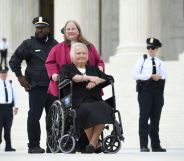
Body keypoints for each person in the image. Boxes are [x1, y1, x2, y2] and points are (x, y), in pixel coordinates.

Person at [45, 20, 105, 152]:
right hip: (68, 87)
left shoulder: (89, 46)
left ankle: (90, 144)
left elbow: (99, 61)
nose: (71, 31)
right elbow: (50, 63)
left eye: (74, 28)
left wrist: (99, 70)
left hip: (90, 87)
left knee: (97, 107)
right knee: (81, 109)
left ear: (79, 31)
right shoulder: (58, 48)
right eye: (68, 29)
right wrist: (54, 74)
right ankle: (90, 143)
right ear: (65, 32)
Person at [9, 16, 58, 153]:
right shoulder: (28, 44)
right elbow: (14, 60)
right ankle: (34, 145)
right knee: (34, 116)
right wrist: (20, 77)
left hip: (53, 87)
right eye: (38, 28)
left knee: (53, 117)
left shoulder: (55, 44)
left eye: (42, 28)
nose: (40, 30)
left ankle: (52, 145)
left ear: (48, 28)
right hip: (36, 87)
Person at [60, 43, 113, 153]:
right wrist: (89, 77)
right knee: (86, 110)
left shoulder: (92, 68)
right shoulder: (67, 68)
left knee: (103, 107)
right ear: (72, 55)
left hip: (95, 99)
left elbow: (108, 78)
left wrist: (95, 82)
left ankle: (92, 144)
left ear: (87, 56)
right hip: (78, 101)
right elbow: (72, 78)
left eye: (84, 53)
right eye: (78, 53)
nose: (81, 55)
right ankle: (95, 143)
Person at [133, 37, 167, 152]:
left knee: (155, 119)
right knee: (144, 118)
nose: (150, 50)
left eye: (153, 48)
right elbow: (135, 75)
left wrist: (160, 76)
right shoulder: (142, 60)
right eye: (149, 47)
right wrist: (149, 76)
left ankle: (156, 145)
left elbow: (165, 75)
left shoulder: (160, 62)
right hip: (145, 92)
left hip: (157, 92)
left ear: (157, 49)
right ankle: (143, 145)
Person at [0, 69, 19, 152]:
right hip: (0, 107)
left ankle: (8, 146)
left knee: (8, 127)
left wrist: (16, 107)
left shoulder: (10, 83)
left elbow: (15, 95)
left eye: (5, 73)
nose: (4, 75)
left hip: (8, 108)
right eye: (2, 73)